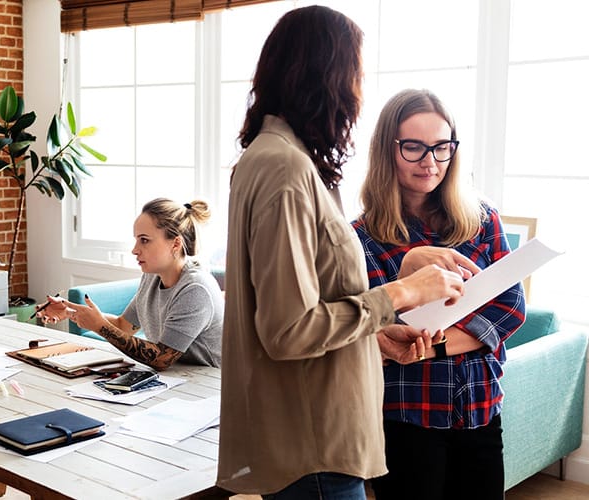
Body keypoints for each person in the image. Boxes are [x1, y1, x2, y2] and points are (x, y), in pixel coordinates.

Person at [217, 6, 471, 499]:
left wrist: (376, 329)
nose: (358, 93)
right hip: (313, 443)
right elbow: (288, 331)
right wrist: (401, 291)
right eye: (355, 74)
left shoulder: (278, 161)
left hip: (316, 437)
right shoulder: (284, 170)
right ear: (324, 77)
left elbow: (316, 302)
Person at [352, 88, 526, 500]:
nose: (430, 161)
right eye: (413, 147)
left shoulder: (482, 219)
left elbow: (511, 308)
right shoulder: (360, 236)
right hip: (407, 416)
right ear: (386, 151)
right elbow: (381, 330)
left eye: (441, 147)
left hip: (481, 408)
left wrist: (435, 347)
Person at [37, 198, 223, 370]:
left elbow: (161, 358)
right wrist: (72, 312)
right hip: (175, 380)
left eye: (144, 240)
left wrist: (100, 326)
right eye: (136, 240)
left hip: (208, 387)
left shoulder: (195, 289)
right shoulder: (152, 277)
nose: (135, 250)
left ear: (175, 244)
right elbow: (123, 325)